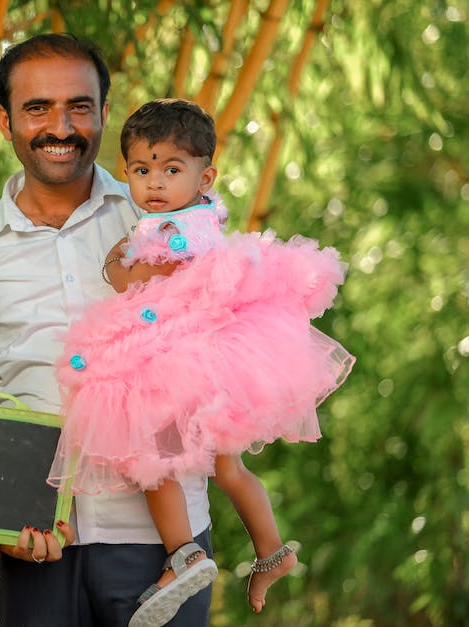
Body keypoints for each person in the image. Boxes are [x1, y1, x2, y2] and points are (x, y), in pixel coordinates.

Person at [0, 35, 214, 626]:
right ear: (4, 119)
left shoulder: (162, 220)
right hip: (33, 539)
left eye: (79, 107)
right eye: (37, 108)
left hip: (167, 545)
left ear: (105, 114)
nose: (59, 126)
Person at [47, 98, 356, 625]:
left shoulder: (172, 231)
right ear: (126, 174)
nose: (155, 183)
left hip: (177, 366)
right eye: (142, 171)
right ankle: (272, 552)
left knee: (151, 458)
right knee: (229, 467)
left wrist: (113, 262)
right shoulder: (202, 214)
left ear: (204, 174)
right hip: (210, 364)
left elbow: (142, 283)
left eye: (172, 170)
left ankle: (183, 553)